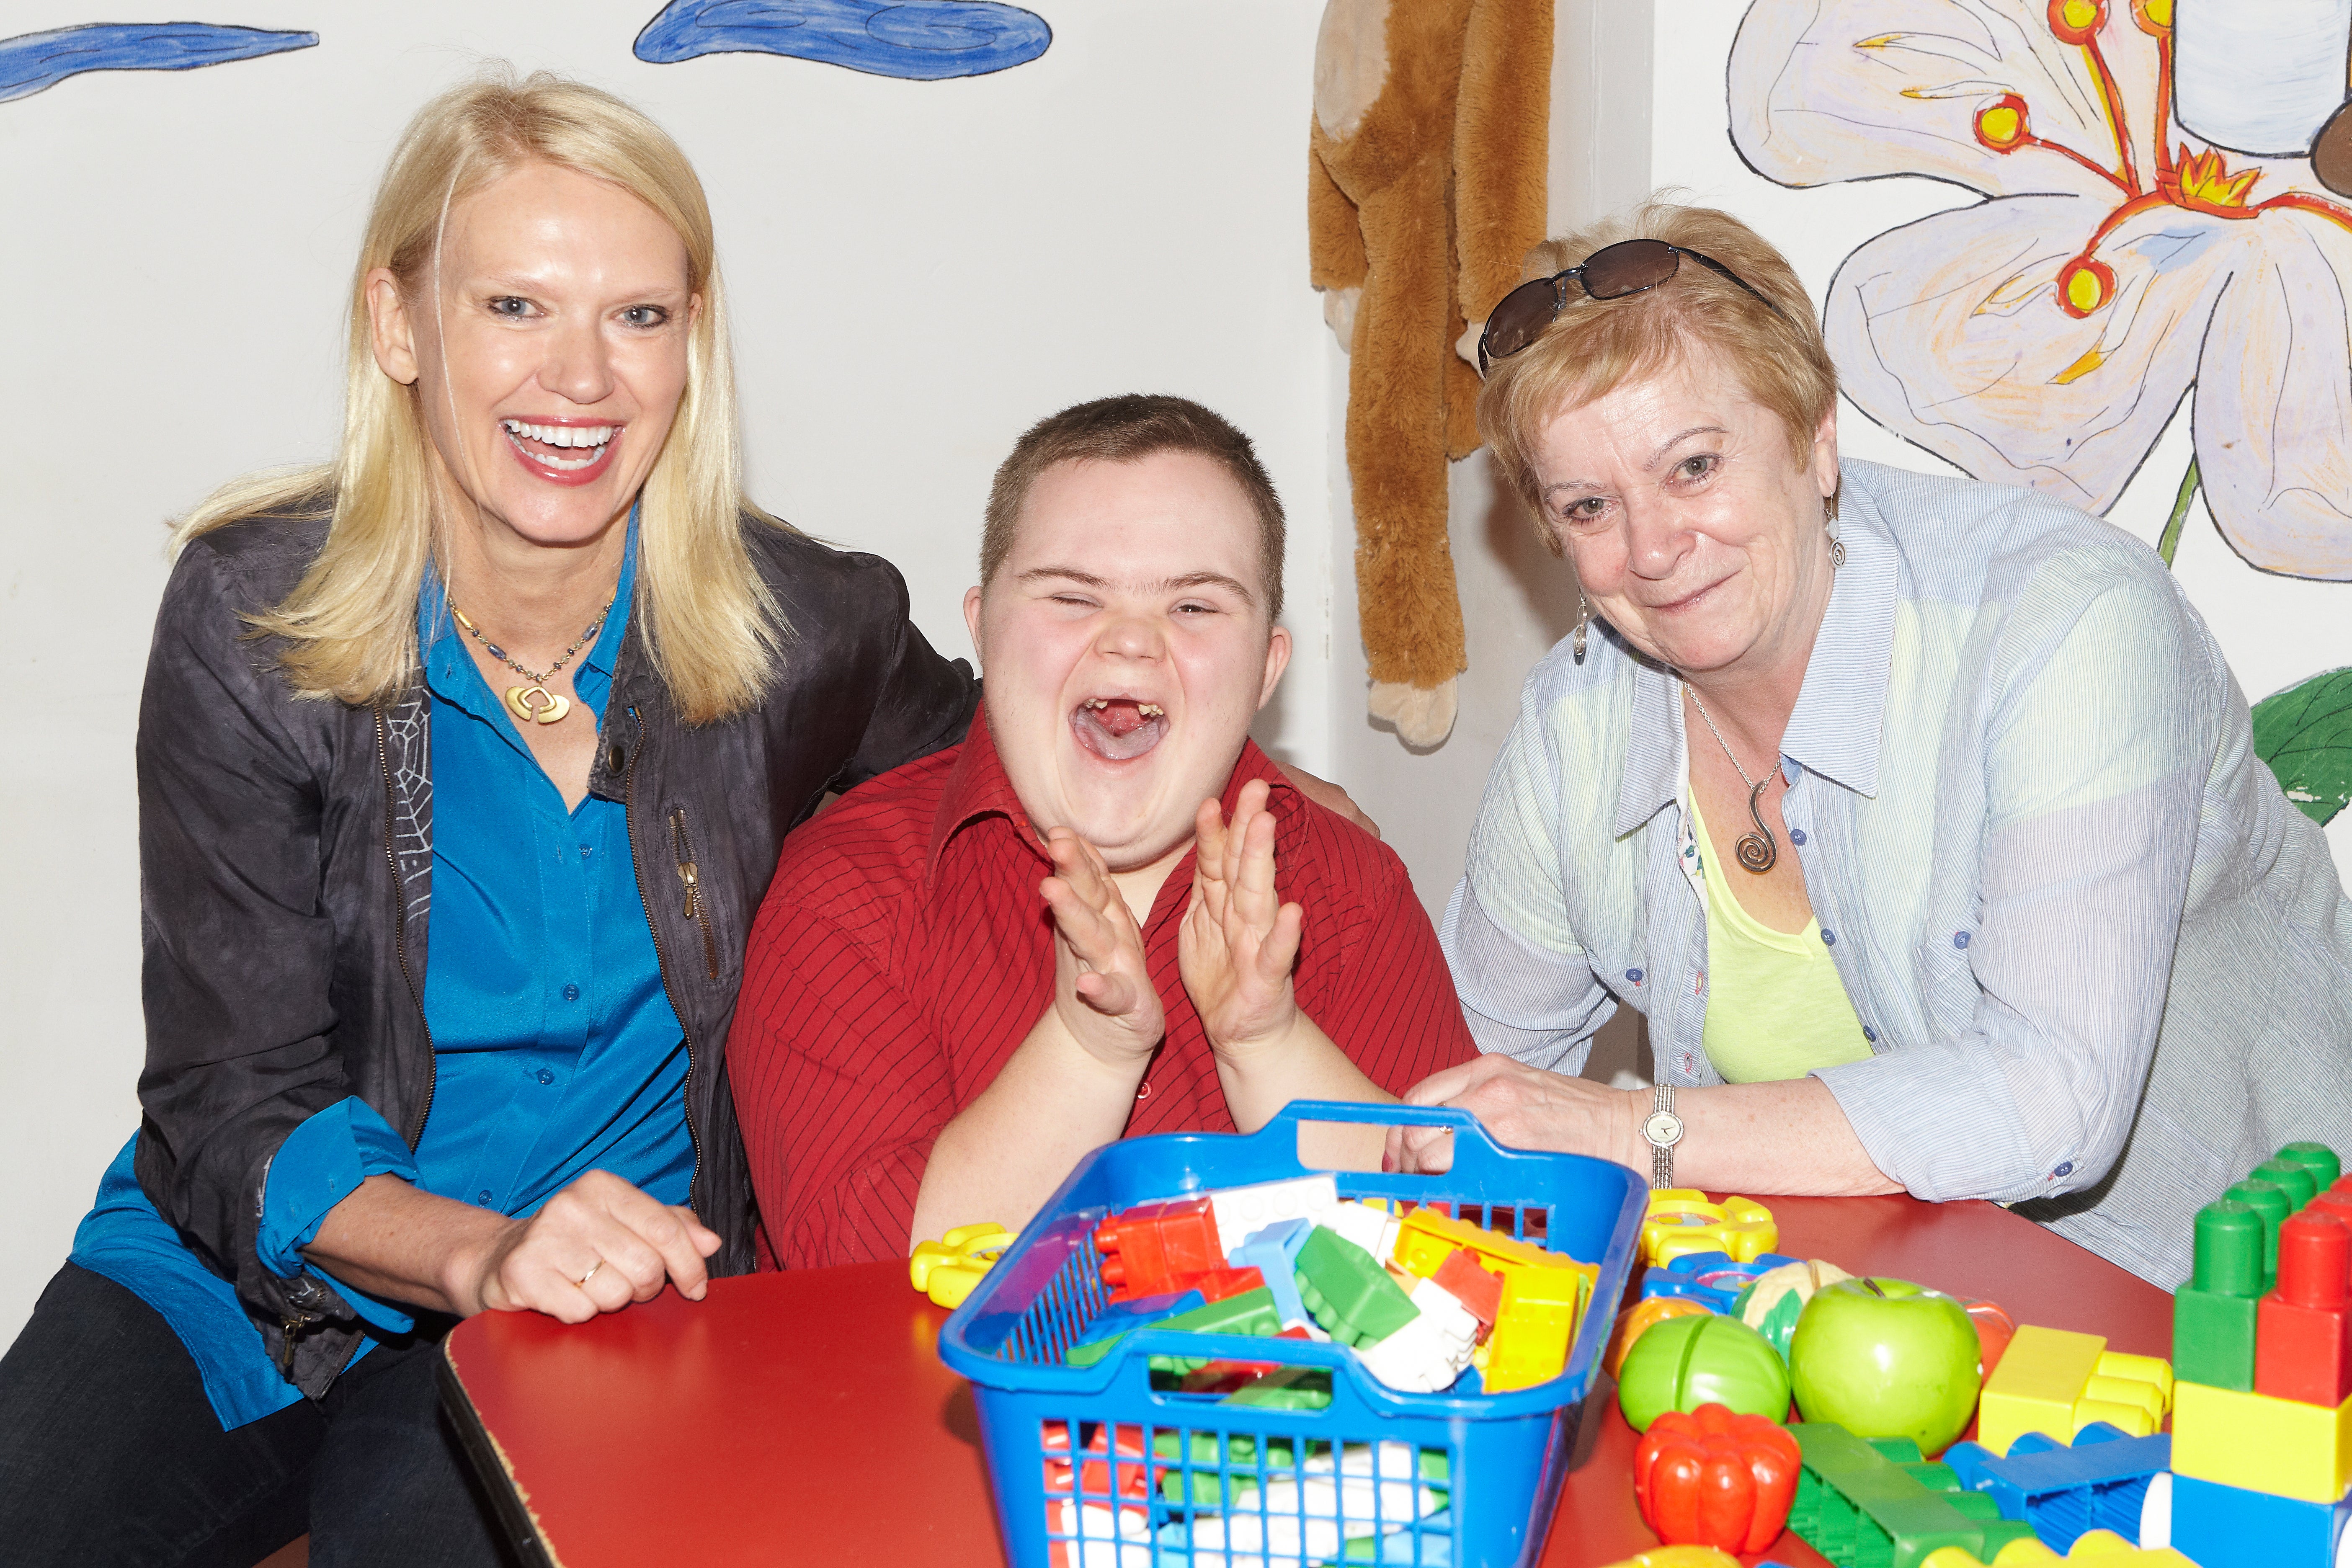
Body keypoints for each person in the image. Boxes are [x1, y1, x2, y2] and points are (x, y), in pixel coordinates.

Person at [0, 72, 995, 1568]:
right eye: (516, 307)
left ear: (692, 346)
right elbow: (229, 1091)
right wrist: (475, 1251)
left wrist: (1267, 784)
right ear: (400, 326)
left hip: (597, 1293)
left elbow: (1022, 758)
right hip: (234, 1267)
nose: (582, 376)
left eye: (639, 316)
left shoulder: (807, 626)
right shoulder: (250, 617)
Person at [1393, 199, 2352, 1289]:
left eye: (1695, 466)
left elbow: (2051, 1102)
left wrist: (1634, 1132)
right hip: (1842, 1344)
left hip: (2252, 1324)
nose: (1652, 547)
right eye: (1588, 506)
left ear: (1816, 437)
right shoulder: (1577, 723)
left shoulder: (2068, 624)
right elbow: (1480, 1084)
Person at [729, 395, 1478, 1263]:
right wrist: (1090, 1050)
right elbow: (850, 1282)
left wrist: (1265, 1047)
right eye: (1074, 598)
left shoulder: (1353, 892)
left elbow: (1460, 1268)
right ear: (984, 629)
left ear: (1267, 668)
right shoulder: (844, 890)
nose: (1130, 644)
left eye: (1195, 608)